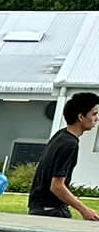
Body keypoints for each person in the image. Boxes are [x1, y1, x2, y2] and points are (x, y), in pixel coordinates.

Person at [28, 92, 99, 220]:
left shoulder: (61, 135)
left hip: (41, 207)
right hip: (50, 211)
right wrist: (84, 210)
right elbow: (56, 186)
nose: (97, 119)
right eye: (94, 114)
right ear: (81, 117)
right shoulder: (69, 144)